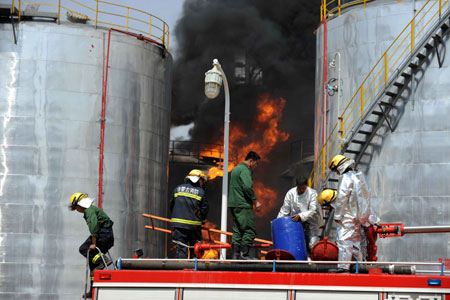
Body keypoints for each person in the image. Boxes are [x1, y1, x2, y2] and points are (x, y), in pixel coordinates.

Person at [328, 154, 380, 272]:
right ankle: (360, 266)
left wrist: (337, 215)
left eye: (336, 170)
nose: (336, 173)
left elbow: (342, 198)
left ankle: (343, 267)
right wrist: (364, 217)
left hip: (347, 216)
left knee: (343, 240)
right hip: (358, 217)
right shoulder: (358, 176)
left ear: (340, 167)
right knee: (356, 243)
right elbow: (366, 197)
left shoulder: (345, 178)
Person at [69, 193, 114, 298]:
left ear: (80, 204)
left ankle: (103, 260)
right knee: (92, 264)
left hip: (103, 235)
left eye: (76, 207)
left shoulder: (89, 211)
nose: (76, 210)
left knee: (84, 249)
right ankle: (92, 290)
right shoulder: (90, 210)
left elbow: (94, 227)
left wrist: (94, 243)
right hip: (105, 235)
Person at [228, 151, 262, 259]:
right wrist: (255, 201)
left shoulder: (235, 169)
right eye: (255, 164)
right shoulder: (245, 170)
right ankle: (244, 254)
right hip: (243, 205)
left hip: (233, 204)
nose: (255, 167)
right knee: (249, 230)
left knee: (237, 230)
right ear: (251, 161)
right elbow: (247, 187)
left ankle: (235, 256)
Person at [277, 176, 323, 253]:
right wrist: (278, 221)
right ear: (296, 186)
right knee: (297, 244)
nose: (301, 190)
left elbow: (313, 210)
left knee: (312, 245)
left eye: (303, 188)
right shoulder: (291, 193)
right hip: (296, 223)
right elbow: (285, 209)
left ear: (306, 186)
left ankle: (312, 262)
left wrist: (301, 216)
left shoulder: (312, 193)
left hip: (311, 223)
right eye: (299, 188)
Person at [170, 169, 208, 259]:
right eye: (202, 180)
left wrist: (176, 217)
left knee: (181, 248)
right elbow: (204, 209)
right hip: (194, 227)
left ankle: (182, 269)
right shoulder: (201, 192)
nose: (202, 183)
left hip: (179, 225)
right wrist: (203, 221)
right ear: (199, 180)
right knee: (195, 249)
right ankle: (193, 269)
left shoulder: (177, 189)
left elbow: (172, 204)